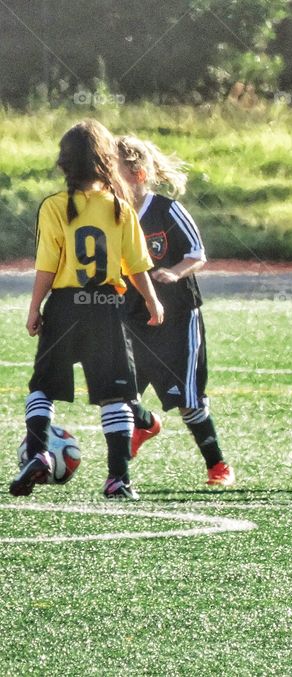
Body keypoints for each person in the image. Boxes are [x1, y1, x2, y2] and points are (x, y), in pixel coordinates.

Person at [9, 119, 164, 500]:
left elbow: (47, 263)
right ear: (107, 163)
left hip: (64, 305)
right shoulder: (120, 209)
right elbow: (136, 265)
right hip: (107, 308)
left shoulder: (54, 207)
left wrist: (35, 307)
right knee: (116, 395)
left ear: (64, 165)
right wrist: (152, 300)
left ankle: (40, 452)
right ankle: (118, 480)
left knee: (42, 387)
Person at [116, 135, 235, 487]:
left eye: (115, 174)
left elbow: (197, 254)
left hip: (178, 316)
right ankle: (145, 424)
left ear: (137, 175)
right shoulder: (113, 215)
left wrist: (174, 271)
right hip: (131, 314)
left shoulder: (168, 211)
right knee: (118, 393)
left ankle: (218, 466)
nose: (108, 182)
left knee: (188, 399)